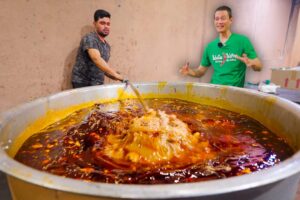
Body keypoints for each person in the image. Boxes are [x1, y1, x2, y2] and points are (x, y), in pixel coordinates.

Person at [180, 6, 262, 87]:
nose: (219, 22)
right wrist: (189, 72)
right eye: (217, 19)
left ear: (231, 20)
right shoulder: (210, 47)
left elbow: (259, 67)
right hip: (214, 91)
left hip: (235, 94)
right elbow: (200, 71)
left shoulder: (242, 41)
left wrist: (252, 63)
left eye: (223, 18)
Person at [72, 9, 124, 88]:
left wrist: (117, 76)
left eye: (108, 24)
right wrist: (115, 75)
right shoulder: (90, 38)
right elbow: (96, 59)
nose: (106, 26)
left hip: (97, 84)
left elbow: (103, 67)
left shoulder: (107, 46)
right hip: (83, 83)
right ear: (94, 24)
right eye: (102, 23)